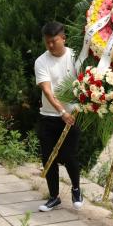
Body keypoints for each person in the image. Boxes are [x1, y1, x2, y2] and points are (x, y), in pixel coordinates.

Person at [34, 21, 83, 212]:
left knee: (69, 156)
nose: (50, 45)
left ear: (63, 38)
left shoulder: (76, 57)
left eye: (53, 41)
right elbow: (47, 90)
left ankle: (76, 189)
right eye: (47, 42)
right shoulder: (41, 61)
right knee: (48, 158)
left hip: (73, 115)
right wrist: (61, 112)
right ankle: (54, 197)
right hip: (49, 116)